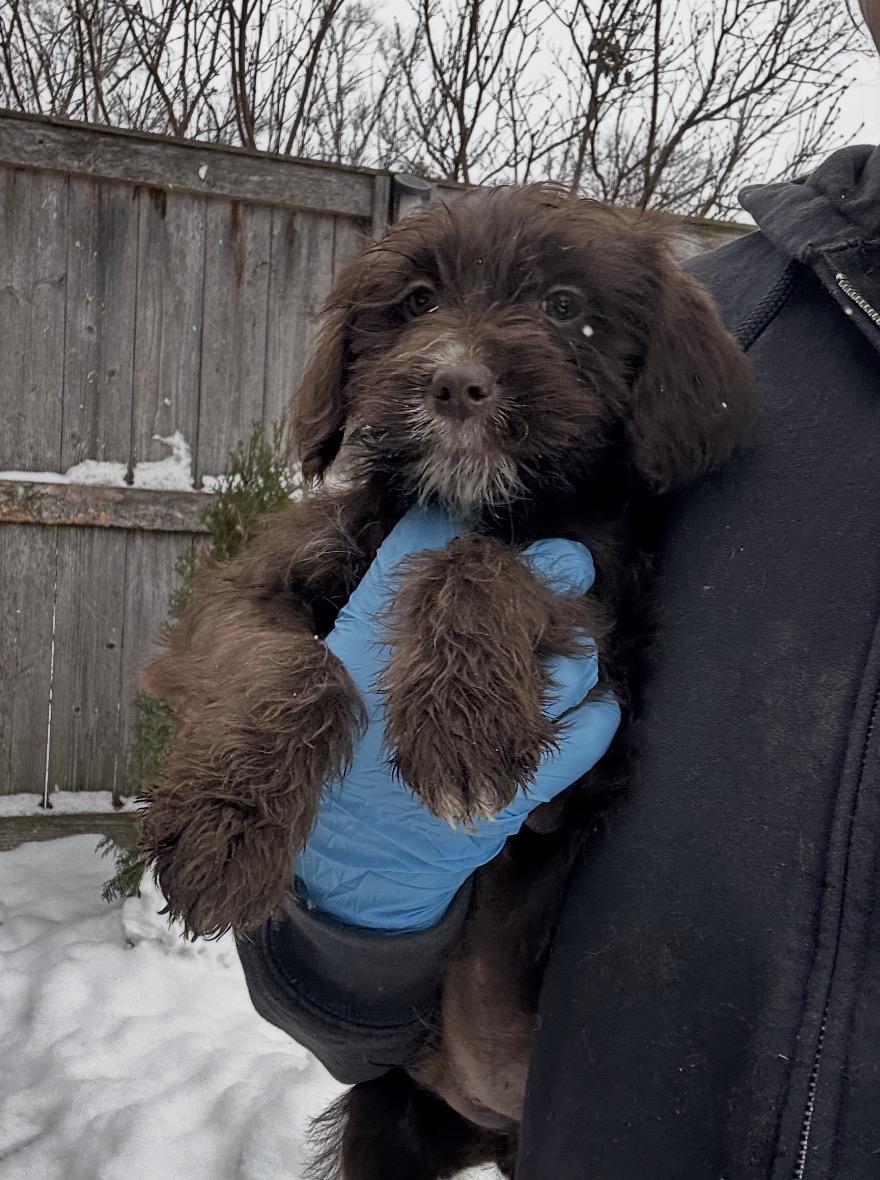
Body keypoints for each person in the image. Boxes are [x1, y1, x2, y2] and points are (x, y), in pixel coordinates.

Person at [235, 3, 880, 1173]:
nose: (465, 357)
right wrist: (355, 925)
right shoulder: (709, 326)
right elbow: (326, 996)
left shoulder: (655, 336)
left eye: (559, 315)